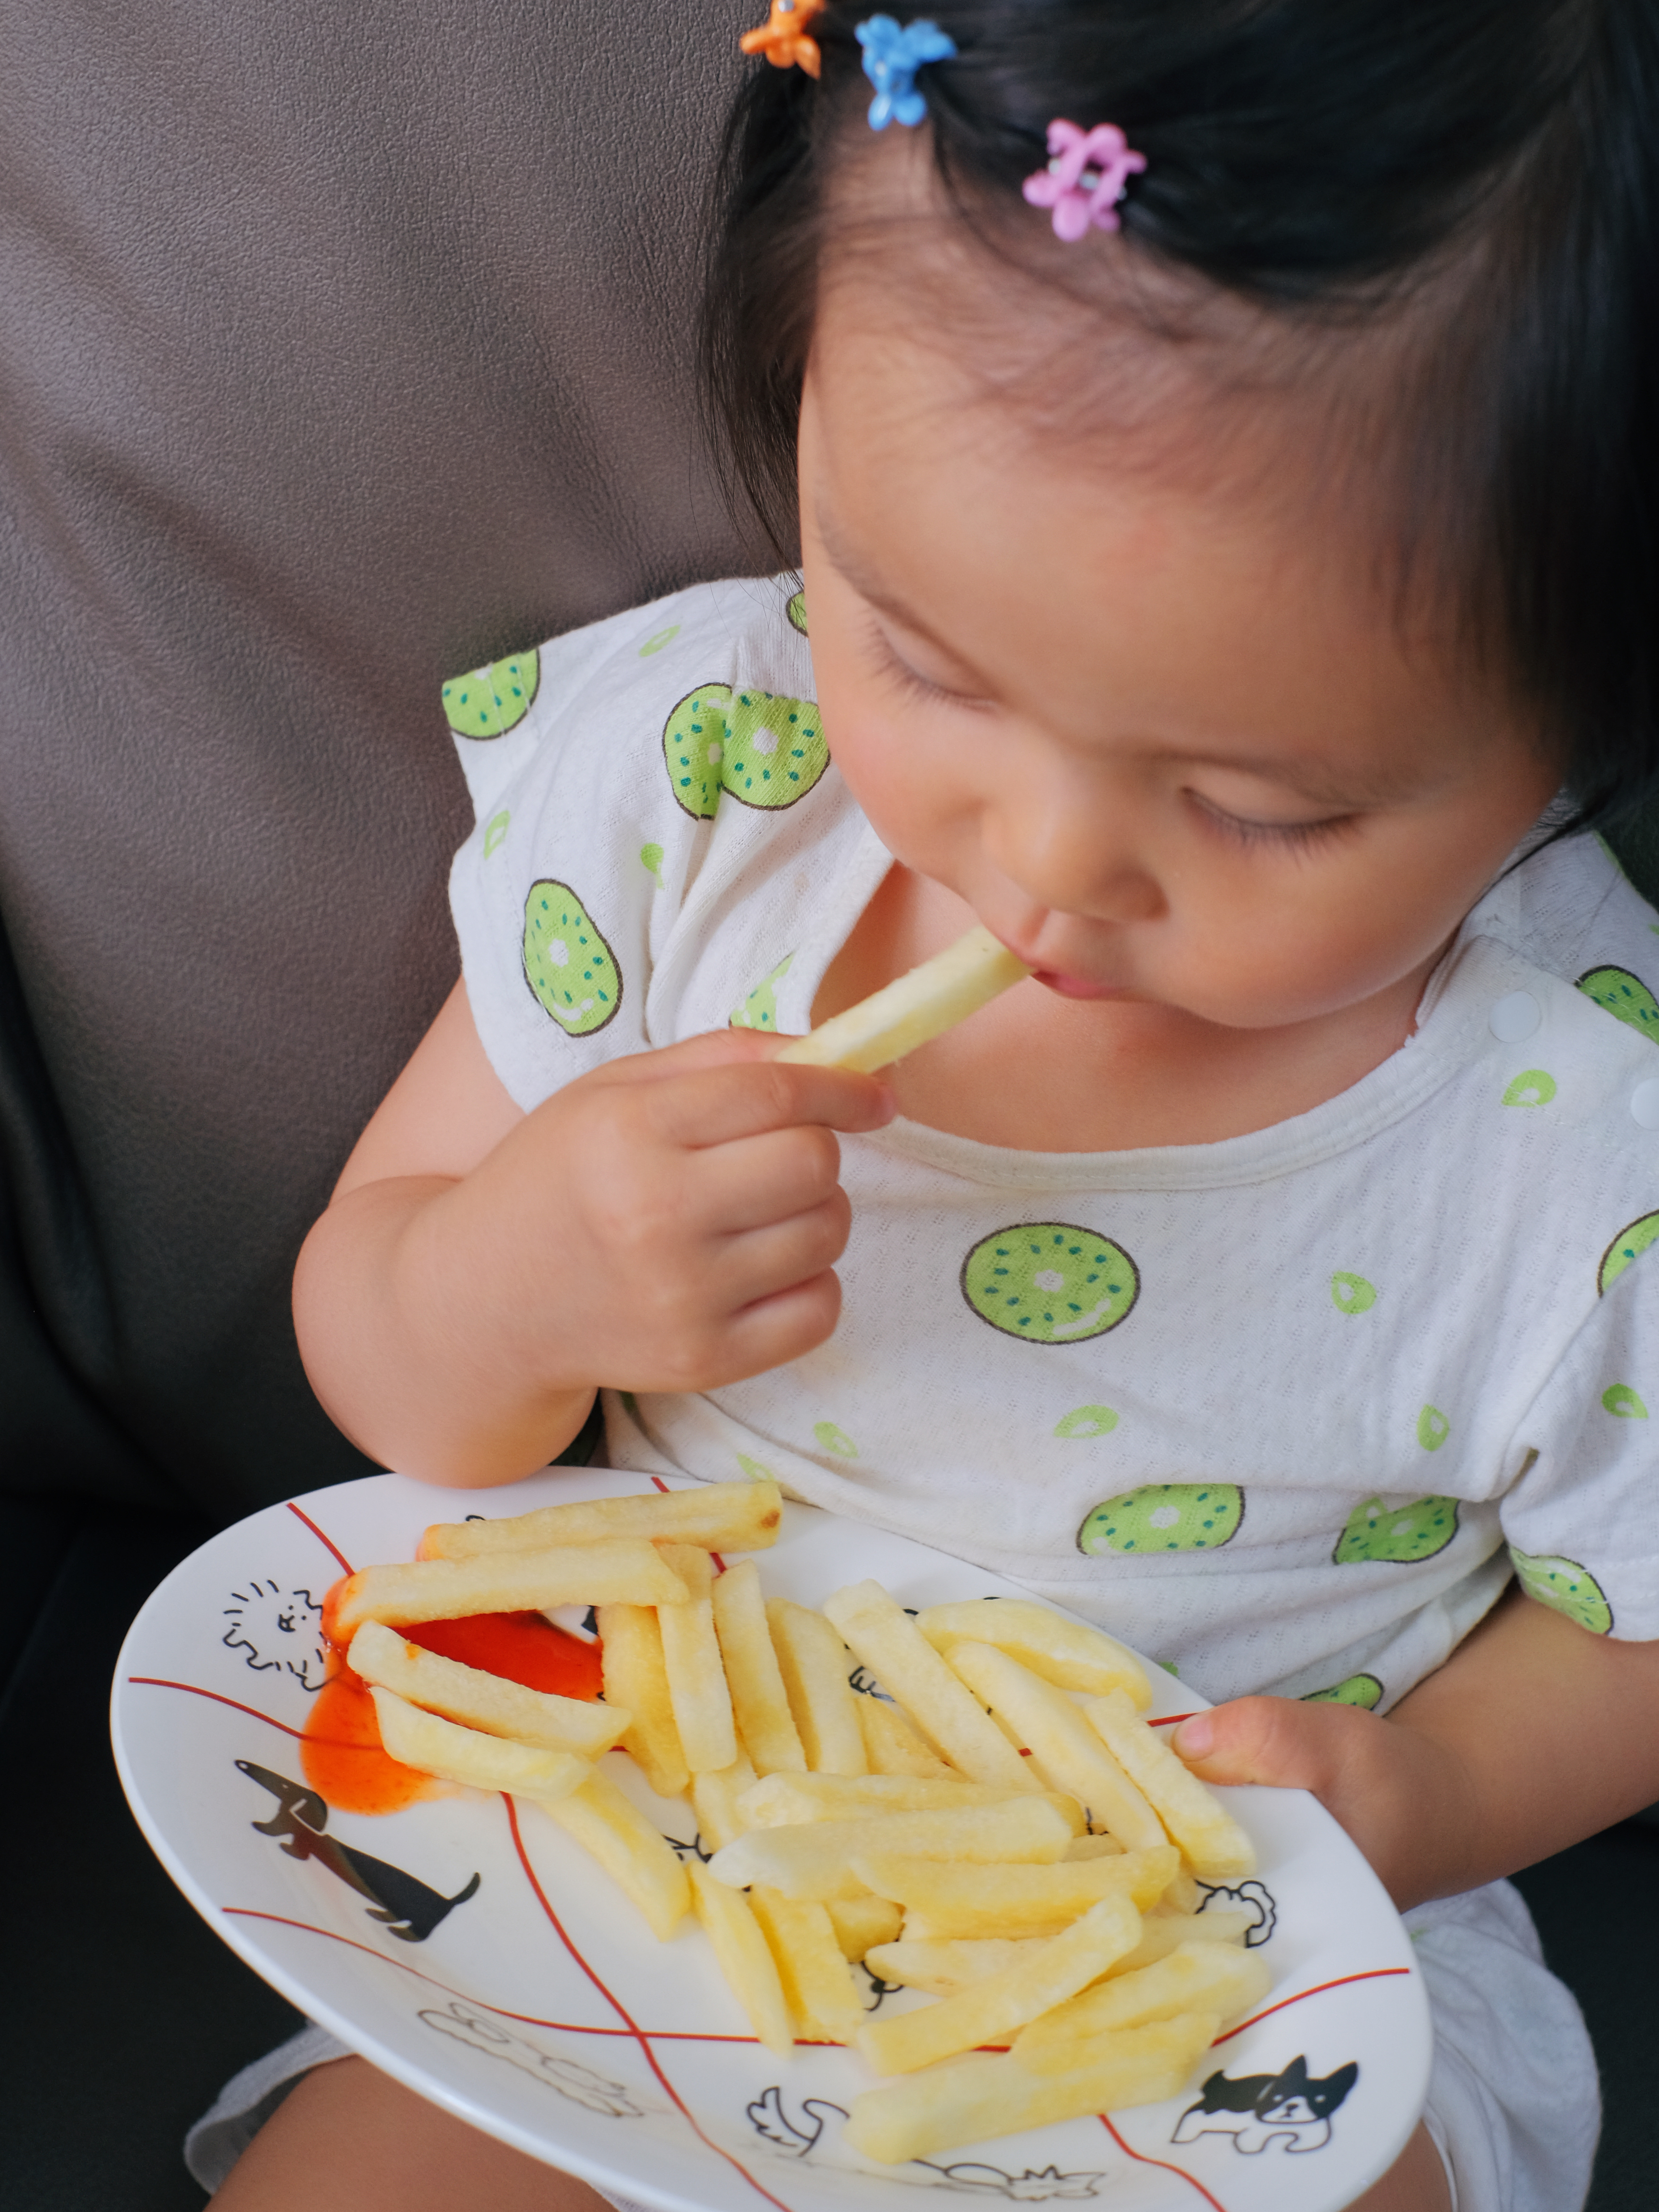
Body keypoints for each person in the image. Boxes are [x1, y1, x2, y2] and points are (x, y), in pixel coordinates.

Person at [201, 4, 1659, 2207]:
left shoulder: (1578, 1128)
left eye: (1262, 806)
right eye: (924, 660)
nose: (1046, 865)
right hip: (642, 1828)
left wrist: (1430, 1794)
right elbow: (387, 1333)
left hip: (1220, 1939)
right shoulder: (708, 811)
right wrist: (508, 1280)